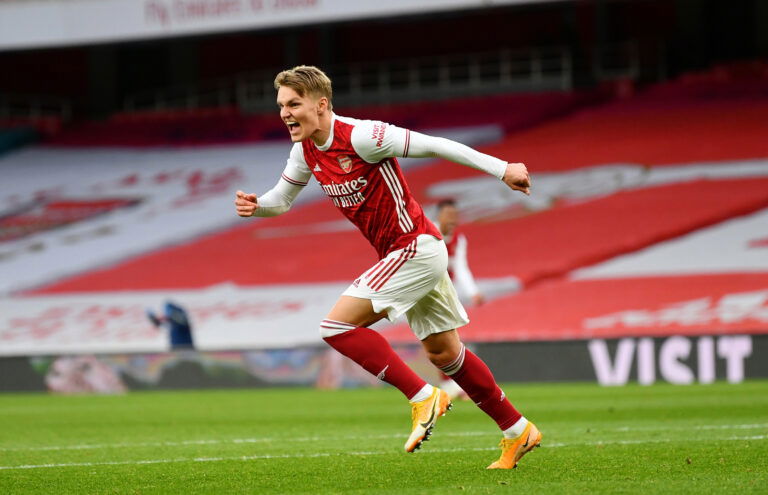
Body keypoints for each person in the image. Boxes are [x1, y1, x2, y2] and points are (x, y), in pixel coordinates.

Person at [234, 65, 540, 469]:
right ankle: (518, 431)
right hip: (406, 254)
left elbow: (437, 146)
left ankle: (423, 397)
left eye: (294, 104)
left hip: (415, 248)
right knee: (445, 353)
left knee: (336, 326)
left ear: (321, 104)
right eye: (281, 106)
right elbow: (283, 199)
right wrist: (259, 207)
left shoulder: (363, 136)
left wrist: (503, 169)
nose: (285, 113)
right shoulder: (305, 150)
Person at [435, 198, 483, 400]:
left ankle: (449, 385)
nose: (452, 219)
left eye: (455, 215)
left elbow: (460, 267)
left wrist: (473, 291)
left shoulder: (459, 239)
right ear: (438, 216)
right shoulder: (427, 233)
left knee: (443, 338)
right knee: (442, 337)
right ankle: (451, 385)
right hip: (426, 292)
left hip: (445, 293)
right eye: (448, 215)